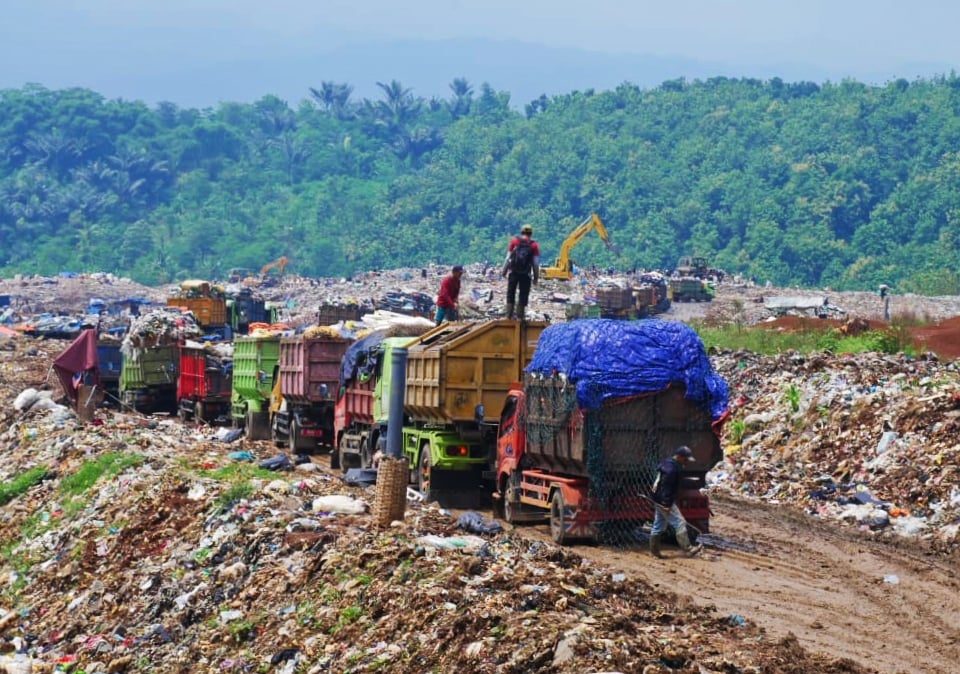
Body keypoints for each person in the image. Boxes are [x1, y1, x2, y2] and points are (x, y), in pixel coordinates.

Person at [649, 445, 703, 558]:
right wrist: (666, 503)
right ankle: (688, 548)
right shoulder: (672, 469)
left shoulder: (667, 463)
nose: (686, 462)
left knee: (658, 524)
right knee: (680, 523)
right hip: (663, 499)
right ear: (678, 457)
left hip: (657, 497)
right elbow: (666, 487)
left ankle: (654, 552)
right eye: (685, 459)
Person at [502, 224, 540, 320]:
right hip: (525, 274)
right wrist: (536, 277)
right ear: (531, 233)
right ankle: (520, 317)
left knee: (511, 292)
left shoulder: (514, 241)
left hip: (514, 272)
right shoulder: (534, 245)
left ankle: (508, 316)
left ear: (521, 232)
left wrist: (504, 271)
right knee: (523, 294)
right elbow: (535, 264)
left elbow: (508, 258)